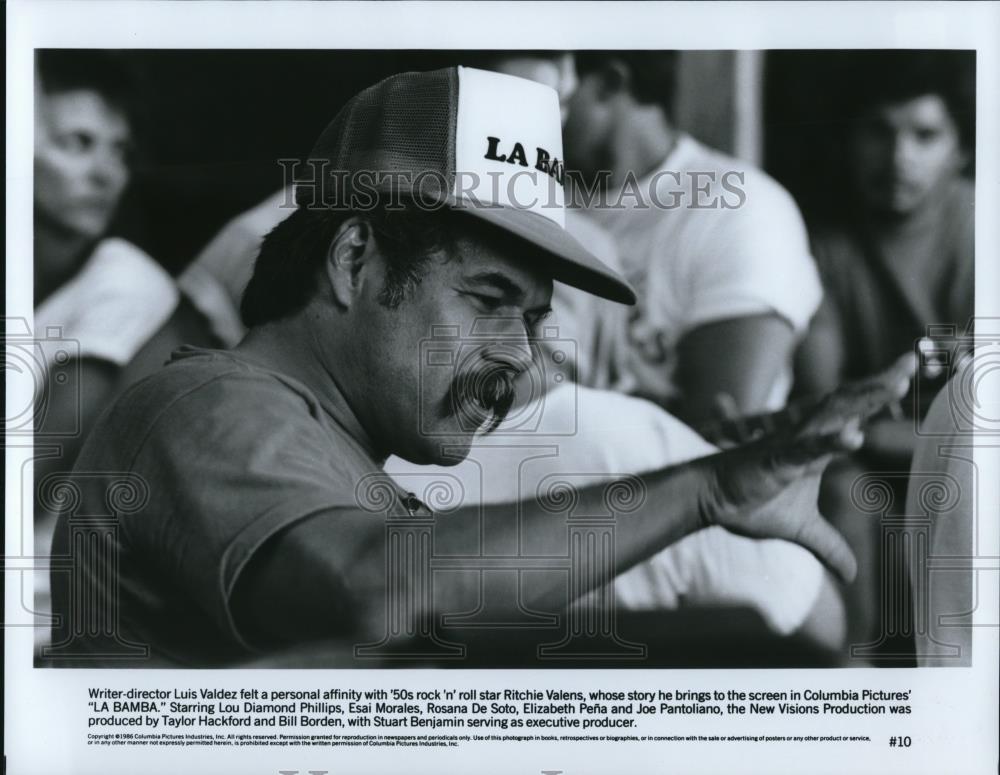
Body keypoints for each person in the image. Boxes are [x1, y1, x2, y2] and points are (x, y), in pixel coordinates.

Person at [47, 66, 911, 668]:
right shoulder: (206, 403)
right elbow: (375, 590)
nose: (517, 352)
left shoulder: (337, 461)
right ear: (354, 261)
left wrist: (718, 481)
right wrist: (705, 488)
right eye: (489, 299)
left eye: (534, 319)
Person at [794, 51, 975, 652]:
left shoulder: (983, 231)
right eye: (878, 131)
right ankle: (857, 677)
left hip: (969, 456)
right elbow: (824, 405)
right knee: (842, 486)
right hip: (867, 462)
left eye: (925, 135)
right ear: (850, 139)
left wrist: (875, 430)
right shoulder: (826, 244)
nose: (898, 158)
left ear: (963, 148)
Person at [562, 51, 822, 429]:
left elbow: (718, 435)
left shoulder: (736, 208)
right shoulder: (524, 197)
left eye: (555, 89)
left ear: (608, 83)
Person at [33, 52, 179, 486]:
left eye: (120, 151)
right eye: (78, 143)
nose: (107, 174)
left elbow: (26, 478)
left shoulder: (125, 282)